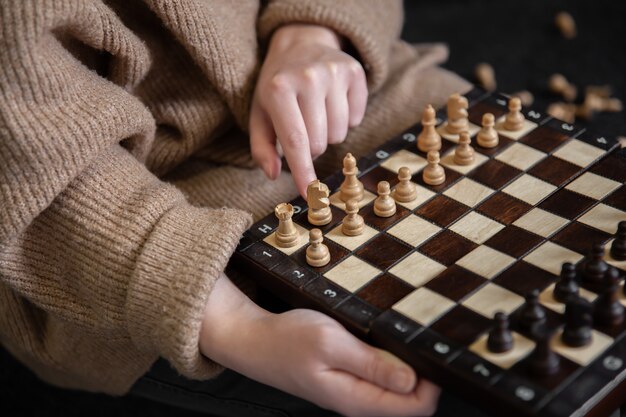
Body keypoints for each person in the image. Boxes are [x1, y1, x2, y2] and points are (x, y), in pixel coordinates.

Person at [0, 1, 471, 416]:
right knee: (443, 372)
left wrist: (314, 29)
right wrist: (237, 328)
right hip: (111, 229)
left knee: (515, 182)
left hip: (301, 63)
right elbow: (29, 167)